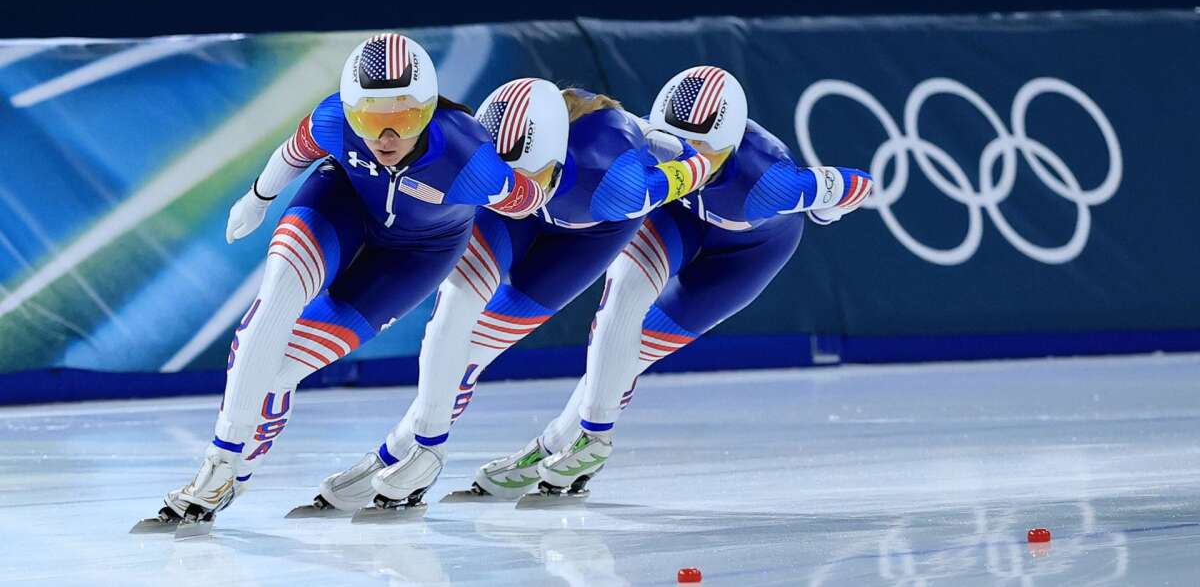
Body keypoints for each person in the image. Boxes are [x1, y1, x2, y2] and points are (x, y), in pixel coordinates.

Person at [133, 34, 562, 533]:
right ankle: (219, 465)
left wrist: (555, 166)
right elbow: (293, 153)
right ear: (350, 112)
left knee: (279, 373)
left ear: (425, 112)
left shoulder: (469, 159)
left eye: (400, 119)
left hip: (416, 256)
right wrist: (257, 197)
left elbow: (527, 199)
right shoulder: (332, 118)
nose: (383, 137)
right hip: (340, 208)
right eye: (368, 119)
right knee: (269, 308)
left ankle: (240, 475)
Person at [298, 78, 718, 515]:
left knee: (481, 343)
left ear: (553, 161)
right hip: (519, 216)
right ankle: (421, 449)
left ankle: (565, 439)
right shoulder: (492, 169)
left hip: (586, 235)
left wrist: (663, 142)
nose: (522, 195)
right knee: (454, 310)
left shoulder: (622, 183)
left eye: (530, 179)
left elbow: (696, 168)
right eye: (503, 181)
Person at [478, 66, 874, 500]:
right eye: (681, 147)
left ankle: (563, 442)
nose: (693, 162)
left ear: (731, 144)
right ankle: (584, 440)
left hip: (747, 256)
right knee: (622, 300)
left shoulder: (769, 182)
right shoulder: (657, 143)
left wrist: (825, 207)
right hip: (675, 217)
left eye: (705, 151)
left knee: (637, 351)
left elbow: (859, 185)